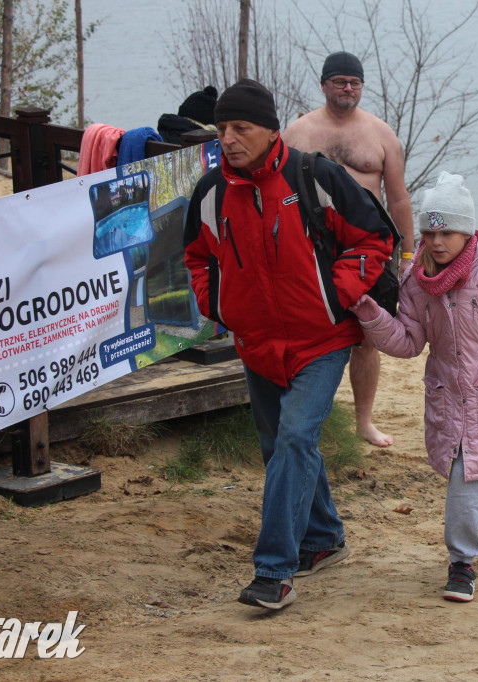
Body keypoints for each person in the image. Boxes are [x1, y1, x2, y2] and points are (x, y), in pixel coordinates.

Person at [183, 79, 395, 611]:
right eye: (223, 128)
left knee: (295, 440)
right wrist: (220, 306)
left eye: (240, 128)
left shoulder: (314, 175)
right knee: (282, 448)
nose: (228, 138)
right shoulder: (210, 193)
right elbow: (197, 257)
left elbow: (375, 237)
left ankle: (273, 572)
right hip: (255, 344)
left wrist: (337, 294)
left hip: (321, 340)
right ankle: (323, 539)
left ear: (270, 129)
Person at [348, 172, 478, 602]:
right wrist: (370, 313)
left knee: (465, 473)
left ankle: (462, 564)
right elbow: (408, 343)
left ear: (468, 232)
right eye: (429, 232)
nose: (437, 242)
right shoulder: (416, 282)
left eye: (448, 232)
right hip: (446, 394)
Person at [284, 51, 414, 448]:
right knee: (308, 330)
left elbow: (399, 200)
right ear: (324, 85)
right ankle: (304, 416)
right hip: (313, 245)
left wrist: (407, 255)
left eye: (354, 82)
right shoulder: (297, 133)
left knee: (367, 336)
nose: (347, 88)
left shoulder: (380, 134)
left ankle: (363, 421)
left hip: (369, 247)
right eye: (339, 81)